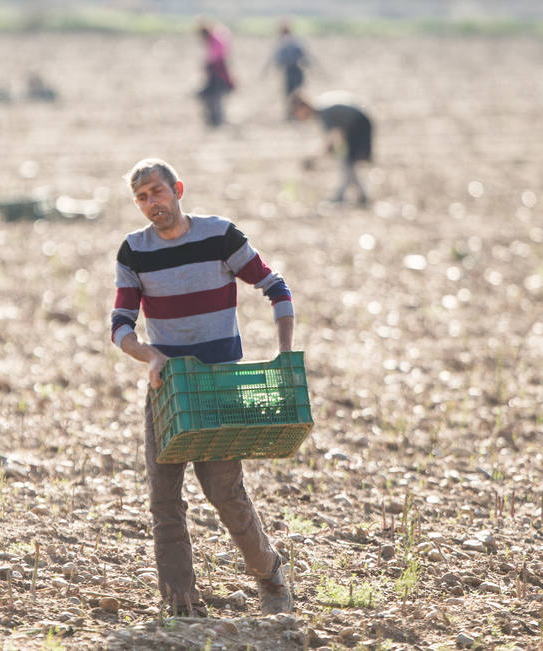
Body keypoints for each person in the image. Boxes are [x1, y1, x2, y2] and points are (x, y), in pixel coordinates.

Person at [110, 158, 295, 617]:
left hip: (217, 389)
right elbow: (119, 327)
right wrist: (150, 355)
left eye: (157, 191)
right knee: (164, 500)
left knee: (225, 493)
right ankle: (180, 603)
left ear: (178, 189)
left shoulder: (219, 236)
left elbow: (276, 288)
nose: (152, 203)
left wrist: (285, 353)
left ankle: (270, 575)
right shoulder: (134, 252)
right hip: (168, 391)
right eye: (142, 197)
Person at [291, 91, 372, 205]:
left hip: (358, 123)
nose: (299, 116)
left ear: (303, 107)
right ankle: (360, 194)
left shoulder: (323, 112)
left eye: (297, 112)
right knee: (348, 162)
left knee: (348, 162)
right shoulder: (321, 107)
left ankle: (342, 195)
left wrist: (315, 158)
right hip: (355, 123)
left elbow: (332, 137)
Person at [263, 20, 314, 120]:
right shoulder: (296, 40)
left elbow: (275, 58)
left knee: (291, 94)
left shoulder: (283, 42)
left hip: (290, 71)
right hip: (297, 70)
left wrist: (268, 70)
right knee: (297, 93)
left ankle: (294, 114)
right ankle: (296, 114)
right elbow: (306, 57)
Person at [197, 21, 235, 127]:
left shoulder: (215, 40)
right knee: (212, 97)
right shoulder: (213, 40)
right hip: (215, 72)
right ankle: (214, 120)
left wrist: (208, 65)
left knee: (215, 97)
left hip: (217, 73)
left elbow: (215, 57)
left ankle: (217, 121)